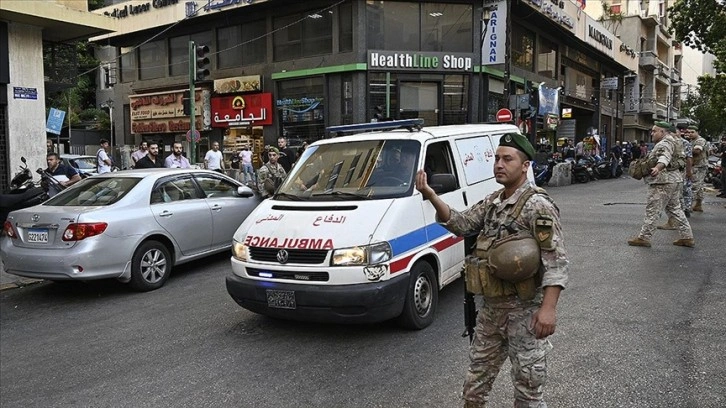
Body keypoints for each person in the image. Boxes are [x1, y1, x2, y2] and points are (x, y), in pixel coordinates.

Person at [415, 133, 569, 407]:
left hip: (524, 314)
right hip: (490, 312)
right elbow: (461, 223)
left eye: (507, 159)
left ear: (525, 166)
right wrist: (430, 195)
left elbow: (555, 261)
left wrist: (548, 309)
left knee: (528, 392)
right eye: (496, 158)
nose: (499, 164)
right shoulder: (494, 202)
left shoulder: (537, 206)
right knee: (474, 387)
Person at [627, 121, 694, 248]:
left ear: (662, 132)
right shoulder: (676, 141)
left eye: (654, 131)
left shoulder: (665, 143)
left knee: (653, 209)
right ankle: (687, 237)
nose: (652, 133)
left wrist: (657, 168)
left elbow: (665, 157)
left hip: (662, 181)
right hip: (675, 180)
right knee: (675, 209)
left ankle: (644, 237)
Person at [659, 125, 694, 229]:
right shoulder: (668, 142)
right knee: (673, 199)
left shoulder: (683, 143)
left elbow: (689, 158)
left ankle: (678, 223)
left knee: (676, 198)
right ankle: (677, 224)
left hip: (678, 173)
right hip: (670, 173)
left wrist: (689, 171)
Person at [687, 126, 708, 212]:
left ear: (697, 132)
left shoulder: (700, 140)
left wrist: (685, 151)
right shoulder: (692, 141)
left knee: (694, 186)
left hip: (699, 166)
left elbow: (697, 151)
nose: (690, 134)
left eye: (692, 132)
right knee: (699, 187)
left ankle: (687, 206)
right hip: (696, 165)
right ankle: (698, 205)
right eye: (689, 132)